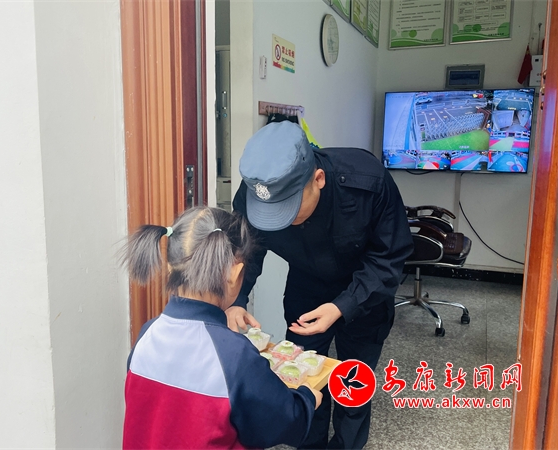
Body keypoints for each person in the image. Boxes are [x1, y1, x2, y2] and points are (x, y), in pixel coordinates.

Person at [228, 122, 414, 449]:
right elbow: (246, 252)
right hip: (307, 289)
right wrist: (236, 300)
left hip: (366, 293)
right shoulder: (253, 194)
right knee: (302, 376)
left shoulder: (367, 181)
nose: (281, 221)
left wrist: (343, 306)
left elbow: (389, 258)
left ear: (318, 179)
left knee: (353, 384)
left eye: (288, 208)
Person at [121, 206, 322, 449]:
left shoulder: (147, 333)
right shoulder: (235, 355)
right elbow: (281, 423)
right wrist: (307, 398)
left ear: (171, 267)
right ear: (235, 273)